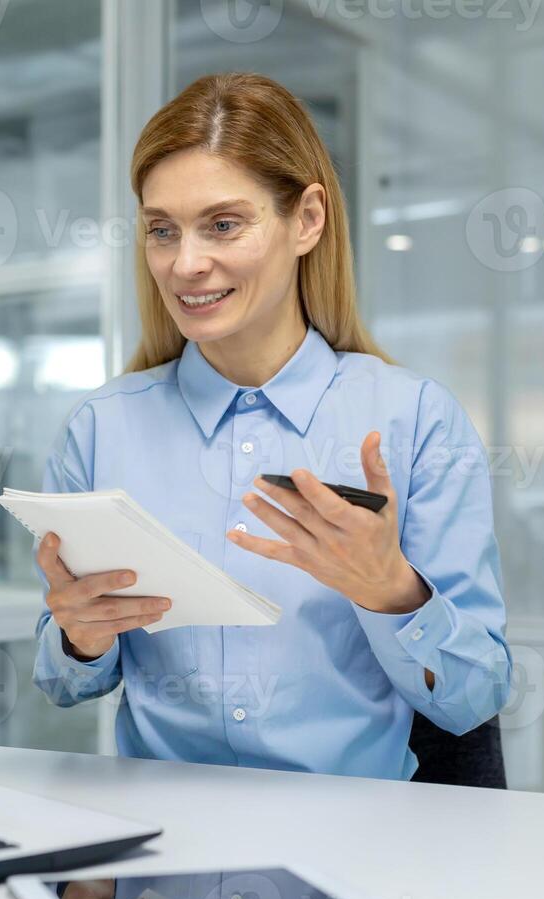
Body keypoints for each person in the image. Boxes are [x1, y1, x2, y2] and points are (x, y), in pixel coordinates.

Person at [32, 73, 512, 781]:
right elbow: (67, 682)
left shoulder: (414, 421)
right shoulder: (101, 431)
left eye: (223, 224)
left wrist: (393, 592)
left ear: (308, 220)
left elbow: (475, 696)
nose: (185, 264)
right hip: (160, 849)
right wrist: (78, 639)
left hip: (355, 851)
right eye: (162, 230)